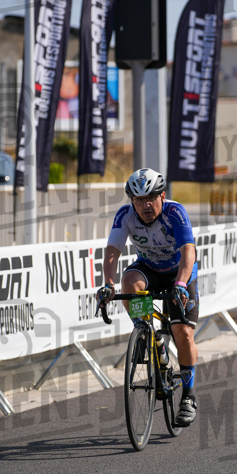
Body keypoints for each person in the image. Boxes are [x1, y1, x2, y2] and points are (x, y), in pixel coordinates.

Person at [97, 168, 199, 427]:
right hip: (150, 269)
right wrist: (108, 284)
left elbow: (188, 250)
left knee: (183, 332)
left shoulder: (175, 212)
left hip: (179, 273)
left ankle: (188, 395)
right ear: (132, 202)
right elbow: (112, 251)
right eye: (139, 200)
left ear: (162, 196)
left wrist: (181, 284)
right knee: (129, 282)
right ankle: (145, 331)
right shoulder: (125, 215)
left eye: (150, 198)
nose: (145, 205)